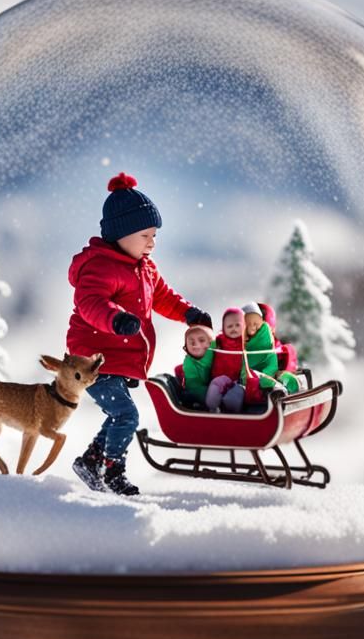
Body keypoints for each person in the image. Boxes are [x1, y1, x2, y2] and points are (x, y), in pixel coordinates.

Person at [67, 173, 212, 495]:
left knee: (120, 414)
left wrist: (188, 313)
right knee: (126, 414)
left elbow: (163, 297)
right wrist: (116, 319)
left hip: (118, 358)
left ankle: (91, 462)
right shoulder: (100, 266)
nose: (152, 242)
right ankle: (111, 472)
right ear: (120, 234)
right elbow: (90, 302)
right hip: (92, 359)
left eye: (155, 235)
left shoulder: (145, 268)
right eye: (145, 234)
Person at [242, 302, 300, 395]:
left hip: (269, 379)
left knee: (289, 380)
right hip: (249, 381)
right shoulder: (238, 343)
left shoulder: (281, 349)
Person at [204, 307, 248, 413]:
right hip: (220, 377)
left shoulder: (247, 343)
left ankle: (231, 412)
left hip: (239, 380)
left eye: (238, 325)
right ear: (223, 327)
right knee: (215, 385)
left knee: (236, 394)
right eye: (229, 326)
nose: (233, 329)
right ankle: (212, 408)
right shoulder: (218, 341)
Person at [175, 324, 216, 408]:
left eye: (201, 340)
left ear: (210, 343)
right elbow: (194, 385)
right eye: (191, 341)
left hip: (218, 385)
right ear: (186, 346)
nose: (195, 344)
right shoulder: (189, 362)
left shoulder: (214, 352)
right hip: (199, 391)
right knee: (189, 395)